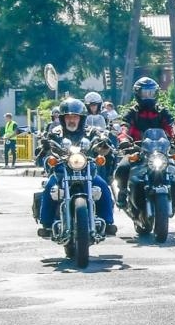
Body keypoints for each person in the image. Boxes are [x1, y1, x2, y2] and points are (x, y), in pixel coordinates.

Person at [35, 98, 116, 238]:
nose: (71, 120)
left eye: (75, 117)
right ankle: (46, 225)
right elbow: (44, 146)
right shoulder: (56, 132)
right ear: (62, 119)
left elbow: (103, 141)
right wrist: (44, 145)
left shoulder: (90, 132)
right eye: (68, 117)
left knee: (102, 186)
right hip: (62, 171)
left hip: (87, 170)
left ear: (81, 118)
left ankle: (108, 222)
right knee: (50, 187)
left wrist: (104, 139)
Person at [115, 77, 175, 219]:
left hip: (159, 151)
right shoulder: (132, 112)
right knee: (123, 167)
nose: (148, 97)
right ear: (138, 94)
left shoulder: (161, 111)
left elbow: (172, 126)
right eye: (145, 93)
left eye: (151, 93)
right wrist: (124, 139)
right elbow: (124, 127)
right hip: (138, 149)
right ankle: (123, 191)